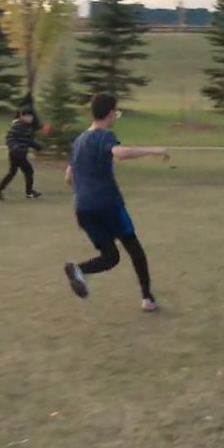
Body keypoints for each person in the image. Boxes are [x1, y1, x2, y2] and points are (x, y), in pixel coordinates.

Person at [62, 94, 169, 312]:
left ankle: (78, 269)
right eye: (116, 113)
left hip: (83, 208)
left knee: (111, 257)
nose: (116, 117)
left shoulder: (79, 141)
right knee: (133, 247)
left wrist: (81, 192)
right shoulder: (104, 136)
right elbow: (120, 153)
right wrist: (154, 150)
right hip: (107, 204)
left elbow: (68, 177)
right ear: (110, 113)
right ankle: (147, 298)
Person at [0, 106, 42, 200]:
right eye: (28, 116)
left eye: (31, 116)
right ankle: (29, 193)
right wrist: (14, 147)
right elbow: (10, 138)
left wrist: (38, 146)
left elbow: (28, 141)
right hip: (17, 153)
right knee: (28, 171)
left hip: (20, 153)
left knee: (12, 173)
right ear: (21, 116)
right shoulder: (18, 126)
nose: (30, 118)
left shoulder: (27, 127)